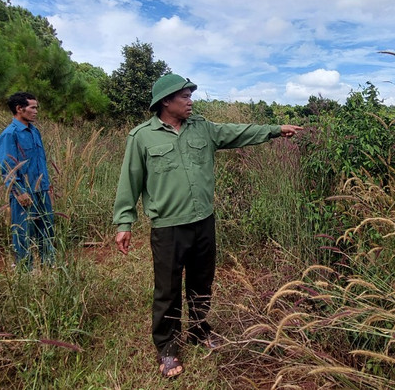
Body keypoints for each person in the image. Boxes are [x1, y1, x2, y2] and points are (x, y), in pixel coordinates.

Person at [112, 73, 302, 379]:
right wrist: (124, 222)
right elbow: (129, 181)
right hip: (168, 227)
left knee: (202, 283)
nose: (190, 101)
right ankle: (168, 349)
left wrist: (275, 130)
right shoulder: (142, 137)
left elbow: (237, 133)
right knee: (168, 290)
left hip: (203, 221)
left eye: (190, 96)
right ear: (165, 101)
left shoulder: (202, 128)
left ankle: (200, 332)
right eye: (184, 97)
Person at [0, 92, 56, 271]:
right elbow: (7, 167)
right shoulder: (10, 134)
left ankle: (48, 266)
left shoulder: (34, 131)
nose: (36, 111)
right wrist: (19, 191)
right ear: (19, 109)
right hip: (24, 193)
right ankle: (25, 270)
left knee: (46, 230)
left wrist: (47, 187)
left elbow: (40, 161)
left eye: (36, 107)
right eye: (32, 107)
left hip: (42, 190)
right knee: (23, 232)